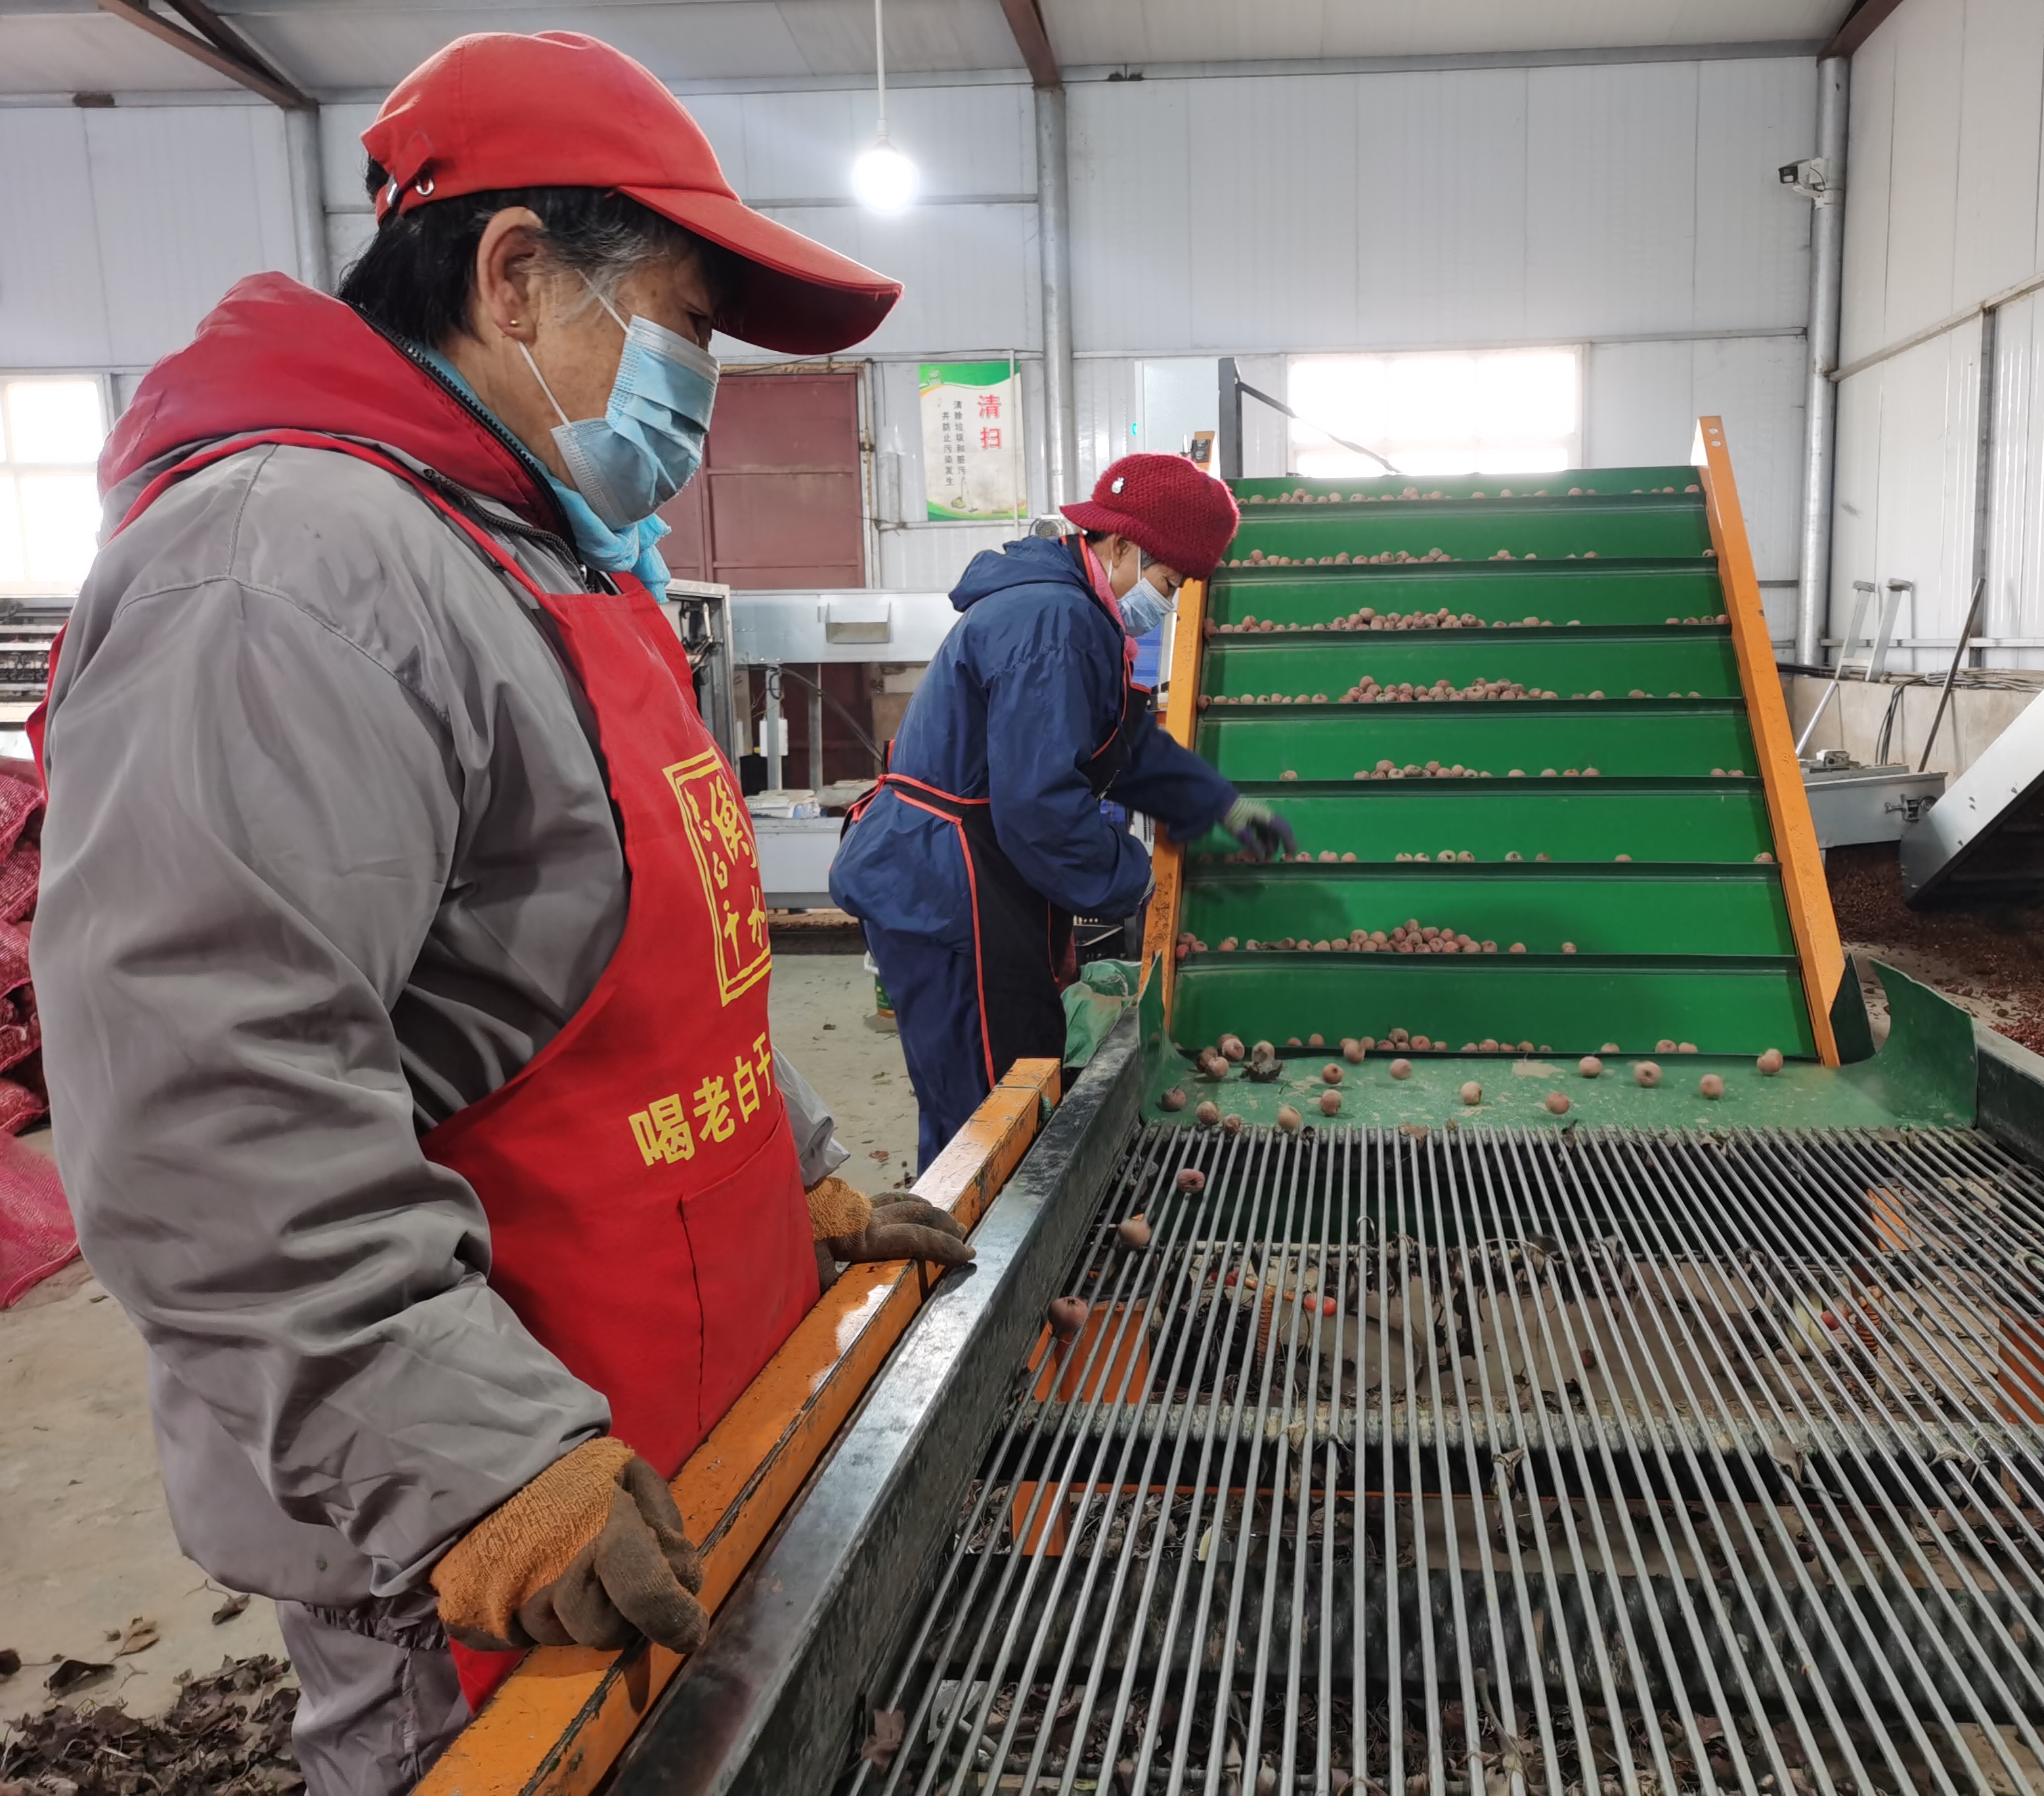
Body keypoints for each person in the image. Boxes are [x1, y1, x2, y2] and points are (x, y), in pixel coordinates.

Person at [32, 32, 965, 1795]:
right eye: (682, 324)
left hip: (671, 1438)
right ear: (515, 272)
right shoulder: (288, 569)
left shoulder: (541, 557)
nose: (695, 387)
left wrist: (795, 1172)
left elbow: (657, 959)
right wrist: (470, 1463)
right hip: (492, 1544)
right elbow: (206, 1097)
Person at [831, 454, 1297, 1168]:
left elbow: (1120, 745)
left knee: (1017, 1070)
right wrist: (1131, 878)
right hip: (946, 885)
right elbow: (1040, 806)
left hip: (973, 872)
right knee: (985, 1107)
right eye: (1169, 583)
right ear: (1123, 546)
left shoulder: (1078, 611)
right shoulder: (1055, 621)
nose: (1168, 603)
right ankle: (967, 1235)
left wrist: (1222, 805)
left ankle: (994, 1219)